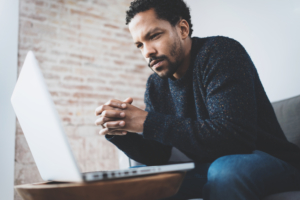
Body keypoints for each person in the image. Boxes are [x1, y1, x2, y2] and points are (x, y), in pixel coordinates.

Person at [94, 0, 300, 199]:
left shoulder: (221, 52)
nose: (147, 52)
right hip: (212, 167)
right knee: (147, 183)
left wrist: (148, 121)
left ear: (183, 29)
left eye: (154, 36)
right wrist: (121, 131)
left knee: (227, 170)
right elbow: (159, 155)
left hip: (274, 163)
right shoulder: (156, 85)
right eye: (139, 45)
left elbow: (235, 138)